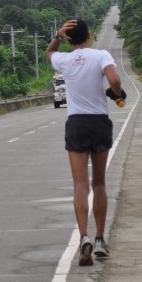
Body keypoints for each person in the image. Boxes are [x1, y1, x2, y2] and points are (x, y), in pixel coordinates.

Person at [46, 18, 124, 266]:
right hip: (99, 123)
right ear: (89, 35)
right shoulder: (101, 55)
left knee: (80, 185)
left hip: (77, 123)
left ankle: (84, 238)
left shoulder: (64, 60)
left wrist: (58, 35)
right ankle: (101, 240)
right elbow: (113, 80)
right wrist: (117, 93)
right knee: (99, 183)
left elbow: (50, 52)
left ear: (70, 40)